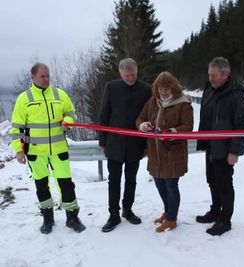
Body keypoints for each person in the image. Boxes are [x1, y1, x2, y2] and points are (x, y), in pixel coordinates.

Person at [9, 63, 86, 234]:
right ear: (33, 78)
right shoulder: (24, 99)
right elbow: (16, 129)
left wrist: (69, 122)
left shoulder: (60, 94)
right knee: (42, 186)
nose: (46, 79)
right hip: (36, 153)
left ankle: (72, 218)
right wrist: (19, 151)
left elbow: (72, 113)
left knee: (66, 185)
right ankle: (47, 219)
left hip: (59, 150)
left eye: (48, 76)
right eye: (42, 76)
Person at [196, 57, 244, 236]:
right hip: (211, 145)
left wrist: (235, 151)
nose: (210, 78)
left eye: (214, 75)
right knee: (211, 180)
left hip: (225, 149)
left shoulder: (237, 93)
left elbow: (242, 125)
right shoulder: (209, 89)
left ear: (226, 74)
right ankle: (215, 211)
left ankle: (225, 220)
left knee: (224, 184)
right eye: (209, 74)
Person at [99, 58, 152, 232]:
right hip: (114, 144)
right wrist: (103, 141)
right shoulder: (111, 87)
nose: (130, 78)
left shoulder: (145, 89)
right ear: (120, 73)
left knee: (131, 179)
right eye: (127, 75)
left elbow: (148, 116)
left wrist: (146, 144)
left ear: (137, 72)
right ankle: (113, 215)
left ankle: (127, 210)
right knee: (113, 180)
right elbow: (104, 114)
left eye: (133, 75)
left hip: (136, 143)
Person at [136, 71, 193, 232]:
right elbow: (139, 118)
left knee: (171, 186)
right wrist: (143, 125)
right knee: (159, 184)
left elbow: (188, 127)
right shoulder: (153, 102)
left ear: (173, 87)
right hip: (155, 153)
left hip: (173, 154)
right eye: (160, 88)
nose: (162, 92)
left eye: (166, 89)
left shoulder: (183, 103)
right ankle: (168, 212)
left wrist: (172, 132)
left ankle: (172, 219)